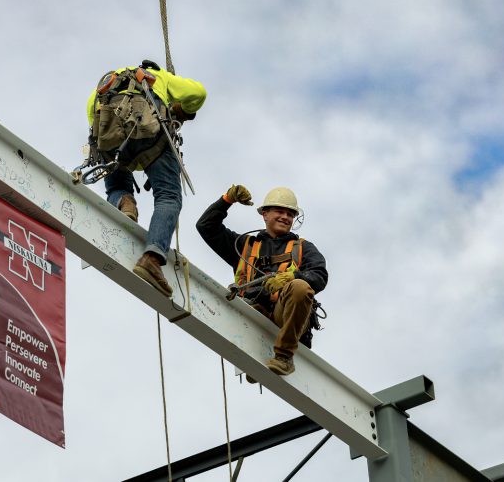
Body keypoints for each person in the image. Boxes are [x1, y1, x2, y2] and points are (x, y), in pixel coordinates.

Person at [85, 60, 206, 297]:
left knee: (118, 185)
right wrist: (184, 109)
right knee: (168, 196)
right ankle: (152, 258)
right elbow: (198, 92)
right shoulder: (157, 77)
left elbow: (92, 119)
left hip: (109, 140)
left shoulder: (105, 85)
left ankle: (124, 201)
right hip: (151, 138)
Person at [196, 185, 328, 376]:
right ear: (264, 215)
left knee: (300, 287)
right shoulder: (244, 246)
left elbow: (320, 275)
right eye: (280, 211)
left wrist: (293, 277)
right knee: (246, 306)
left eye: (290, 214)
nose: (285, 217)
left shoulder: (303, 248)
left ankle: (283, 357)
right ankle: (255, 352)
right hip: (252, 313)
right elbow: (206, 227)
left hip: (285, 317)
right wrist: (227, 199)